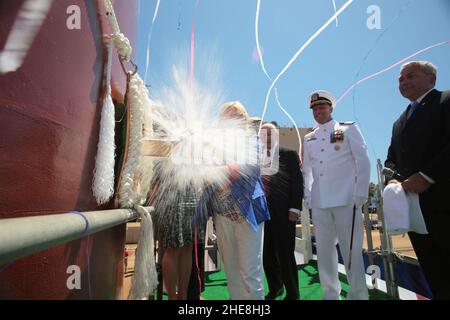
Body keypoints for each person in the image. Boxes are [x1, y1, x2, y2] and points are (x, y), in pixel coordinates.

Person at [385, 61, 450, 299]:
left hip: (444, 204)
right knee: (435, 272)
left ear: (431, 79)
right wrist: (393, 179)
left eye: (410, 76)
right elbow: (392, 159)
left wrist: (427, 176)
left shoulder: (445, 100)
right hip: (415, 210)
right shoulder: (399, 122)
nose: (403, 82)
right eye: (400, 80)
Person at [195, 101, 271, 300]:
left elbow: (249, 166)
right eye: (227, 117)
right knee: (231, 272)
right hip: (222, 214)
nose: (231, 120)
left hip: (247, 212)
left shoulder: (251, 139)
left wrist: (222, 171)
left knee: (250, 273)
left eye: (236, 117)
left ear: (243, 120)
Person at [302, 90, 370, 300]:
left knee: (351, 252)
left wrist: (360, 193)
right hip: (320, 202)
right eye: (314, 108)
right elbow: (307, 170)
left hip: (346, 199)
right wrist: (308, 196)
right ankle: (330, 293)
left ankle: (358, 295)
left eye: (322, 107)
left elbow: (363, 161)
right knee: (323, 252)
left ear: (331, 108)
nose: (318, 111)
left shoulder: (348, 129)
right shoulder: (309, 137)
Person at [260, 123, 304, 300]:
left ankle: (293, 293)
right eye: (264, 134)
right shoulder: (257, 157)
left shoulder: (289, 154)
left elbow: (297, 183)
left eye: (270, 134)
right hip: (263, 213)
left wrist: (295, 207)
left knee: (285, 254)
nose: (267, 137)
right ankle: (276, 287)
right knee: (267, 255)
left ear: (277, 135)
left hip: (284, 212)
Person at [149, 160, 199, 300]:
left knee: (187, 246)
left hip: (189, 190)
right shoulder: (166, 149)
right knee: (173, 247)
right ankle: (172, 297)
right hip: (169, 191)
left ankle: (182, 296)